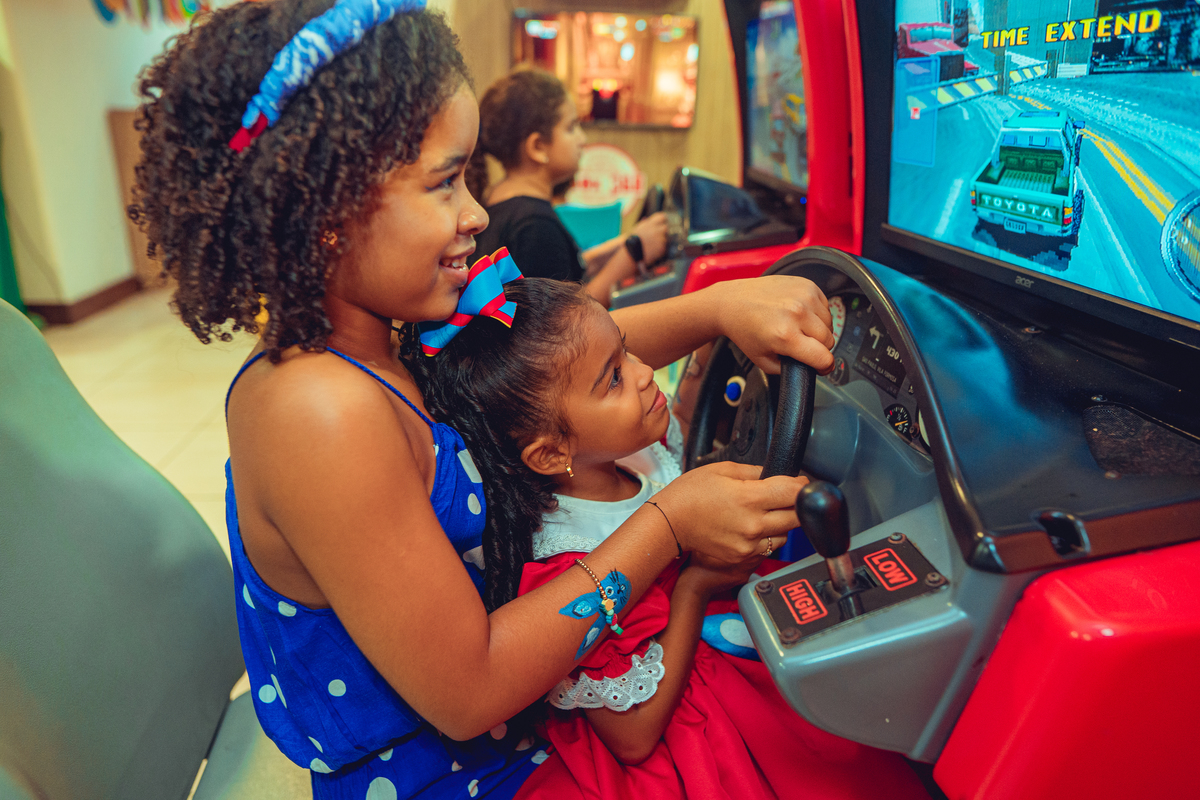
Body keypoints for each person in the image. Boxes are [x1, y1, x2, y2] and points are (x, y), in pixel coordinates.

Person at [130, 1, 835, 797]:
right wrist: (667, 527)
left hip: (521, 719)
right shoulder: (316, 411)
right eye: (445, 184)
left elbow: (557, 359)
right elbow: (469, 691)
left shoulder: (383, 333)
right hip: (461, 769)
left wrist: (717, 309)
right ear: (325, 214)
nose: (474, 214)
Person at [420, 274, 932, 800]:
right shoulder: (566, 559)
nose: (644, 374)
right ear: (551, 454)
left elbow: (683, 439)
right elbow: (633, 735)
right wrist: (694, 586)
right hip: (692, 717)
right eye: (613, 379)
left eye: (626, 351)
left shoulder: (629, 450)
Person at [469, 67, 669, 307]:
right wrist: (632, 254)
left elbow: (565, 269)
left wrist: (627, 242)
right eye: (571, 127)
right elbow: (569, 320)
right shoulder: (535, 226)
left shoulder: (503, 202)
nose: (582, 139)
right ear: (538, 147)